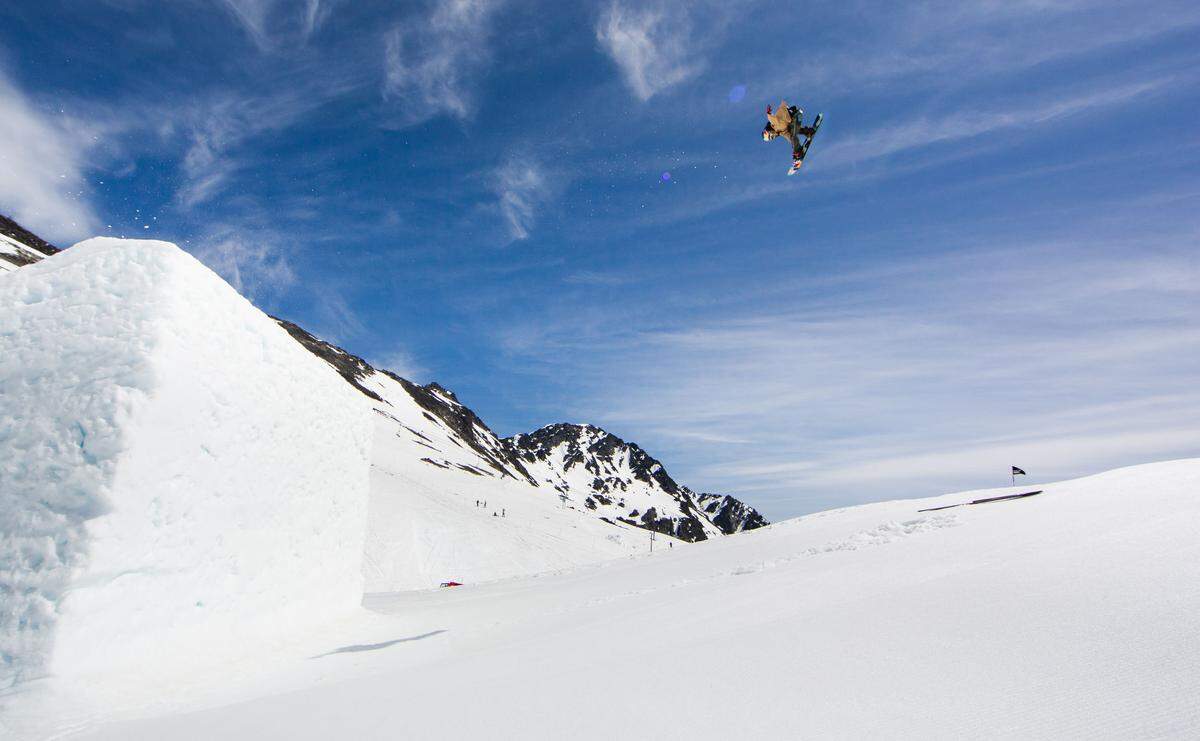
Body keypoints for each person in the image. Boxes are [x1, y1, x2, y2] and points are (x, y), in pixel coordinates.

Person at [762, 100, 816, 165]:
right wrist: (794, 147)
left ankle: (798, 151)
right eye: (772, 138)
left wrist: (768, 113)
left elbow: (771, 118)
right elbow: (790, 137)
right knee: (792, 133)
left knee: (793, 134)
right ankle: (808, 132)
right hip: (793, 121)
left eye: (771, 137)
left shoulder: (774, 124)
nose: (774, 137)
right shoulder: (780, 132)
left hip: (795, 116)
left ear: (769, 133)